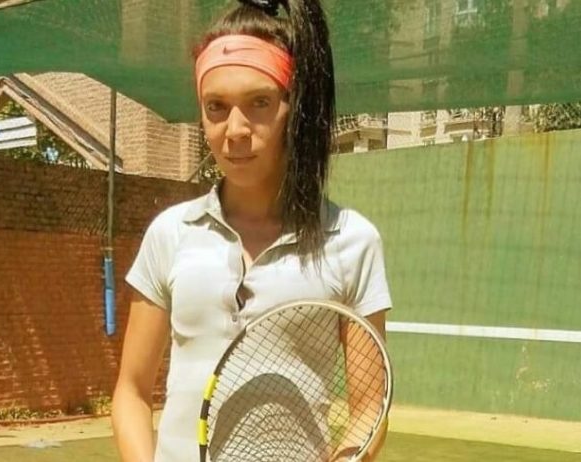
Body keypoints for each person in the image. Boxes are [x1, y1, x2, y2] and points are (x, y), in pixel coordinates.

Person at [111, 0, 392, 461]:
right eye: (216, 107)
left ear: (293, 109)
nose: (235, 129)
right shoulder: (169, 234)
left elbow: (369, 410)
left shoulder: (352, 241)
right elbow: (132, 392)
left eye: (259, 102)